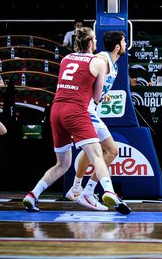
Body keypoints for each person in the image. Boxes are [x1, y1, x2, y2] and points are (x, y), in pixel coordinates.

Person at [22, 27, 130, 214]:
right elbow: (96, 97)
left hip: (57, 109)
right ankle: (102, 191)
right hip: (81, 110)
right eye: (94, 40)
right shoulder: (100, 60)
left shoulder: (66, 58)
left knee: (67, 162)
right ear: (90, 43)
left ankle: (34, 195)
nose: (96, 43)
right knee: (97, 154)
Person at [64, 30, 125, 210]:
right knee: (111, 151)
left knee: (91, 149)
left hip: (92, 109)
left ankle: (77, 188)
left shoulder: (114, 63)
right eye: (124, 42)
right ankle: (87, 192)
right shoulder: (101, 58)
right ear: (117, 46)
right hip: (85, 109)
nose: (126, 45)